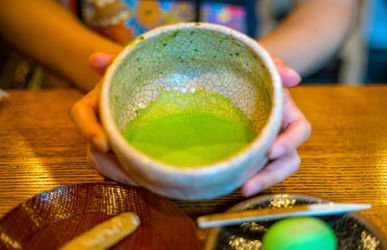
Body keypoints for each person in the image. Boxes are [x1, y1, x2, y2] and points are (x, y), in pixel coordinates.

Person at [0, 0, 355, 197]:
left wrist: (259, 71)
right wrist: (120, 74)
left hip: (241, 60)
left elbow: (327, 10)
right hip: (68, 83)